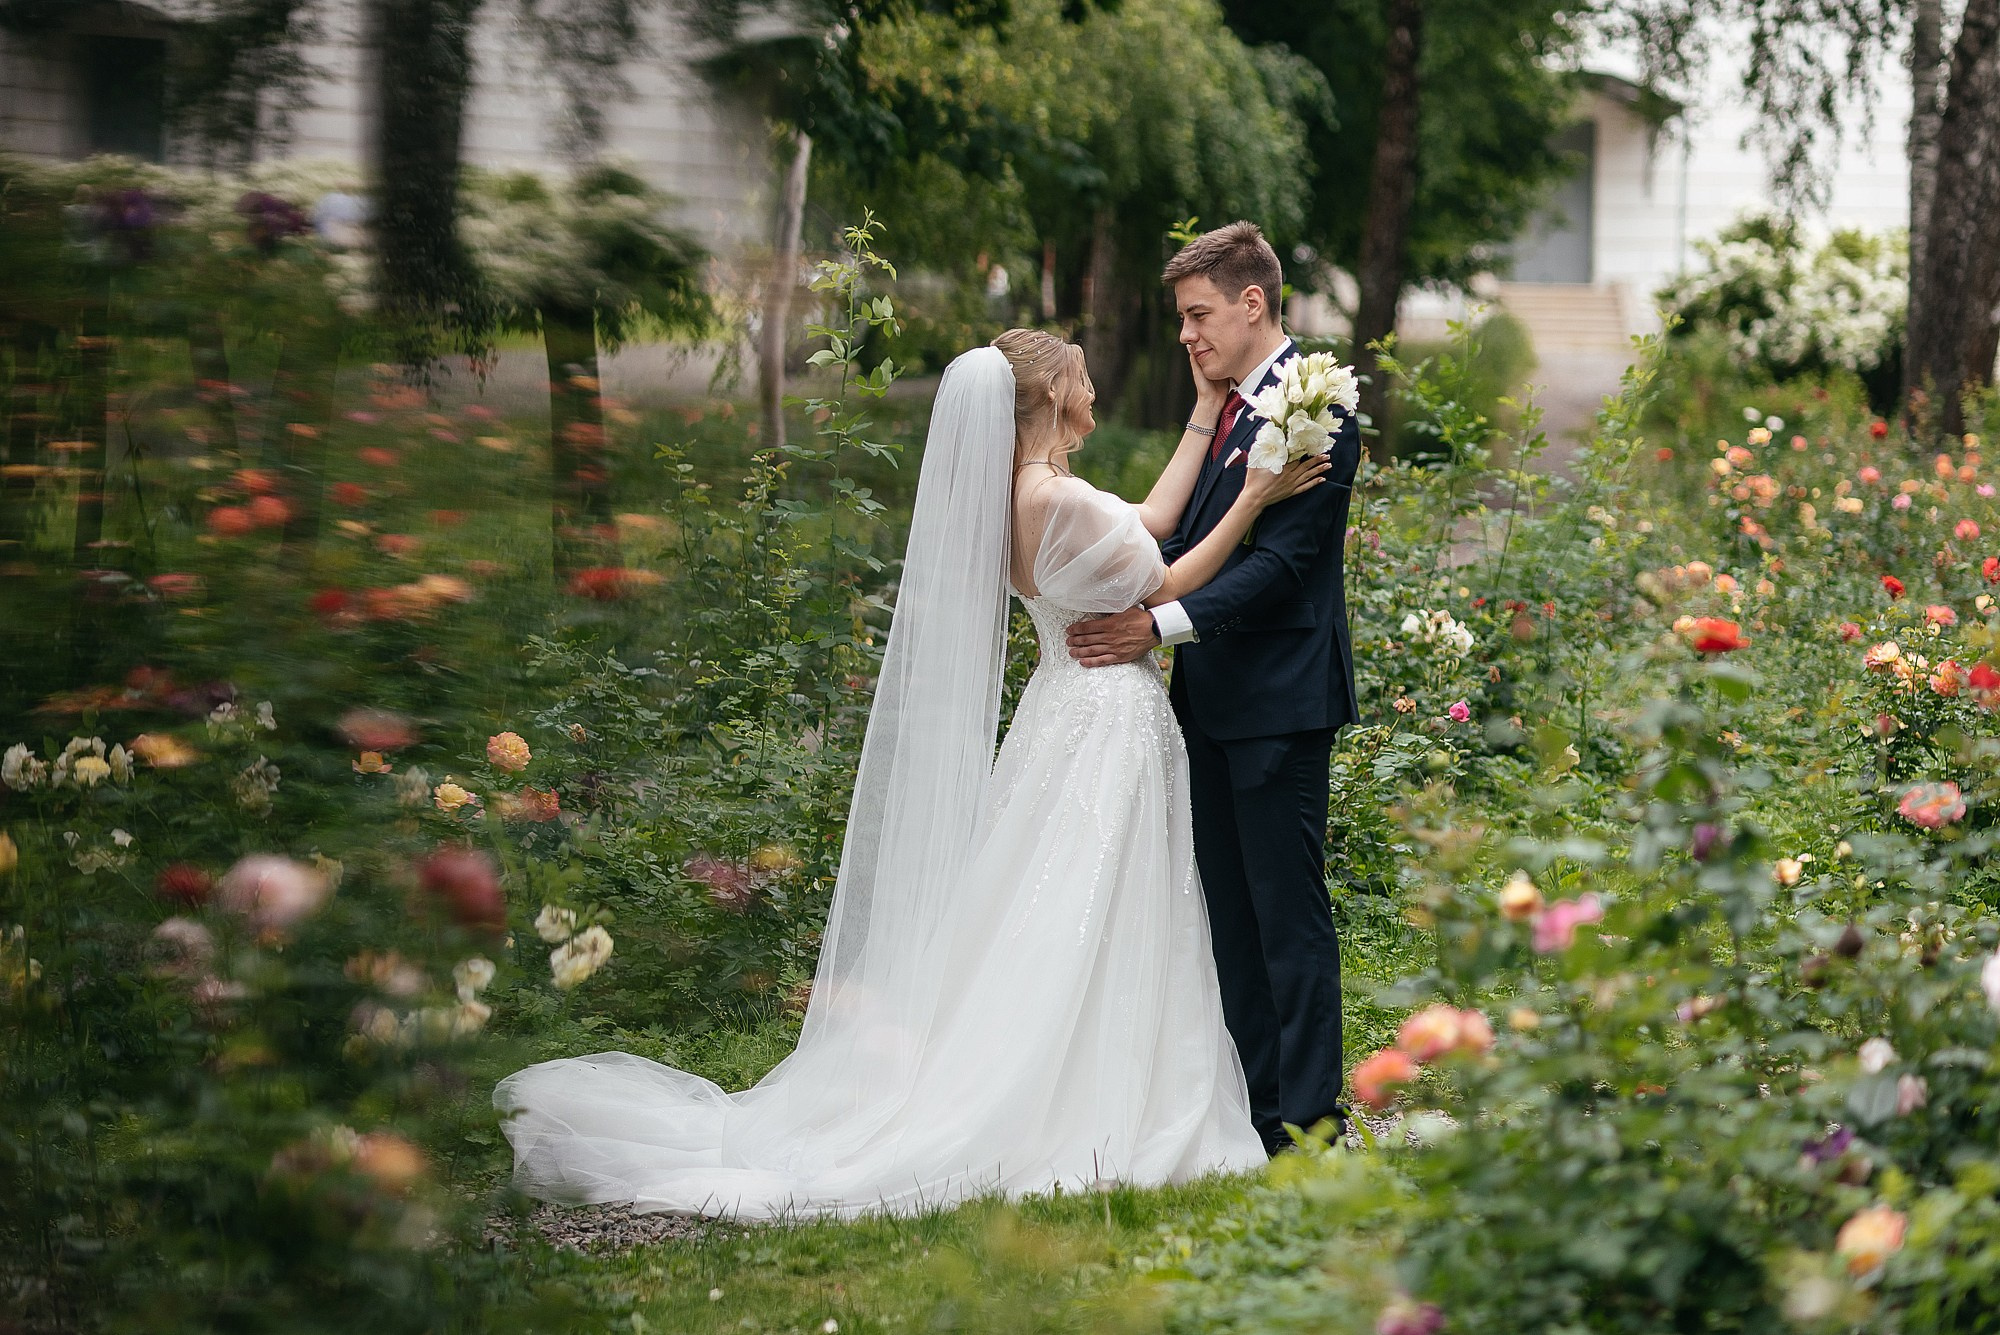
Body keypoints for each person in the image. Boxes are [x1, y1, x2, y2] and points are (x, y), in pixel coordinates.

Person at [493, 330, 1328, 1219]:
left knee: (1055, 900)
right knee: (1103, 901)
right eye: (1081, 374)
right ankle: (1094, 1085)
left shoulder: (1023, 497)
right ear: (1048, 396)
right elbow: (1165, 576)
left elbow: (1150, 520)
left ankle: (1087, 1063)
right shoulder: (1064, 500)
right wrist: (1252, 496)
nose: (1094, 384)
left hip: (1061, 712)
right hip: (1104, 721)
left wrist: (1206, 412)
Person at [1066, 221, 1361, 1156]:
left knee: (1286, 918)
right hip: (1207, 704)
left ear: (1252, 303)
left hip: (1280, 701)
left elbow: (1279, 567)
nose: (1187, 336)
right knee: (1230, 921)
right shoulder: (1227, 408)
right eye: (1181, 320)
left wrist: (1156, 626)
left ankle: (1312, 1126)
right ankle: (1255, 1112)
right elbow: (1182, 539)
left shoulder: (1320, 407)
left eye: (1199, 316)